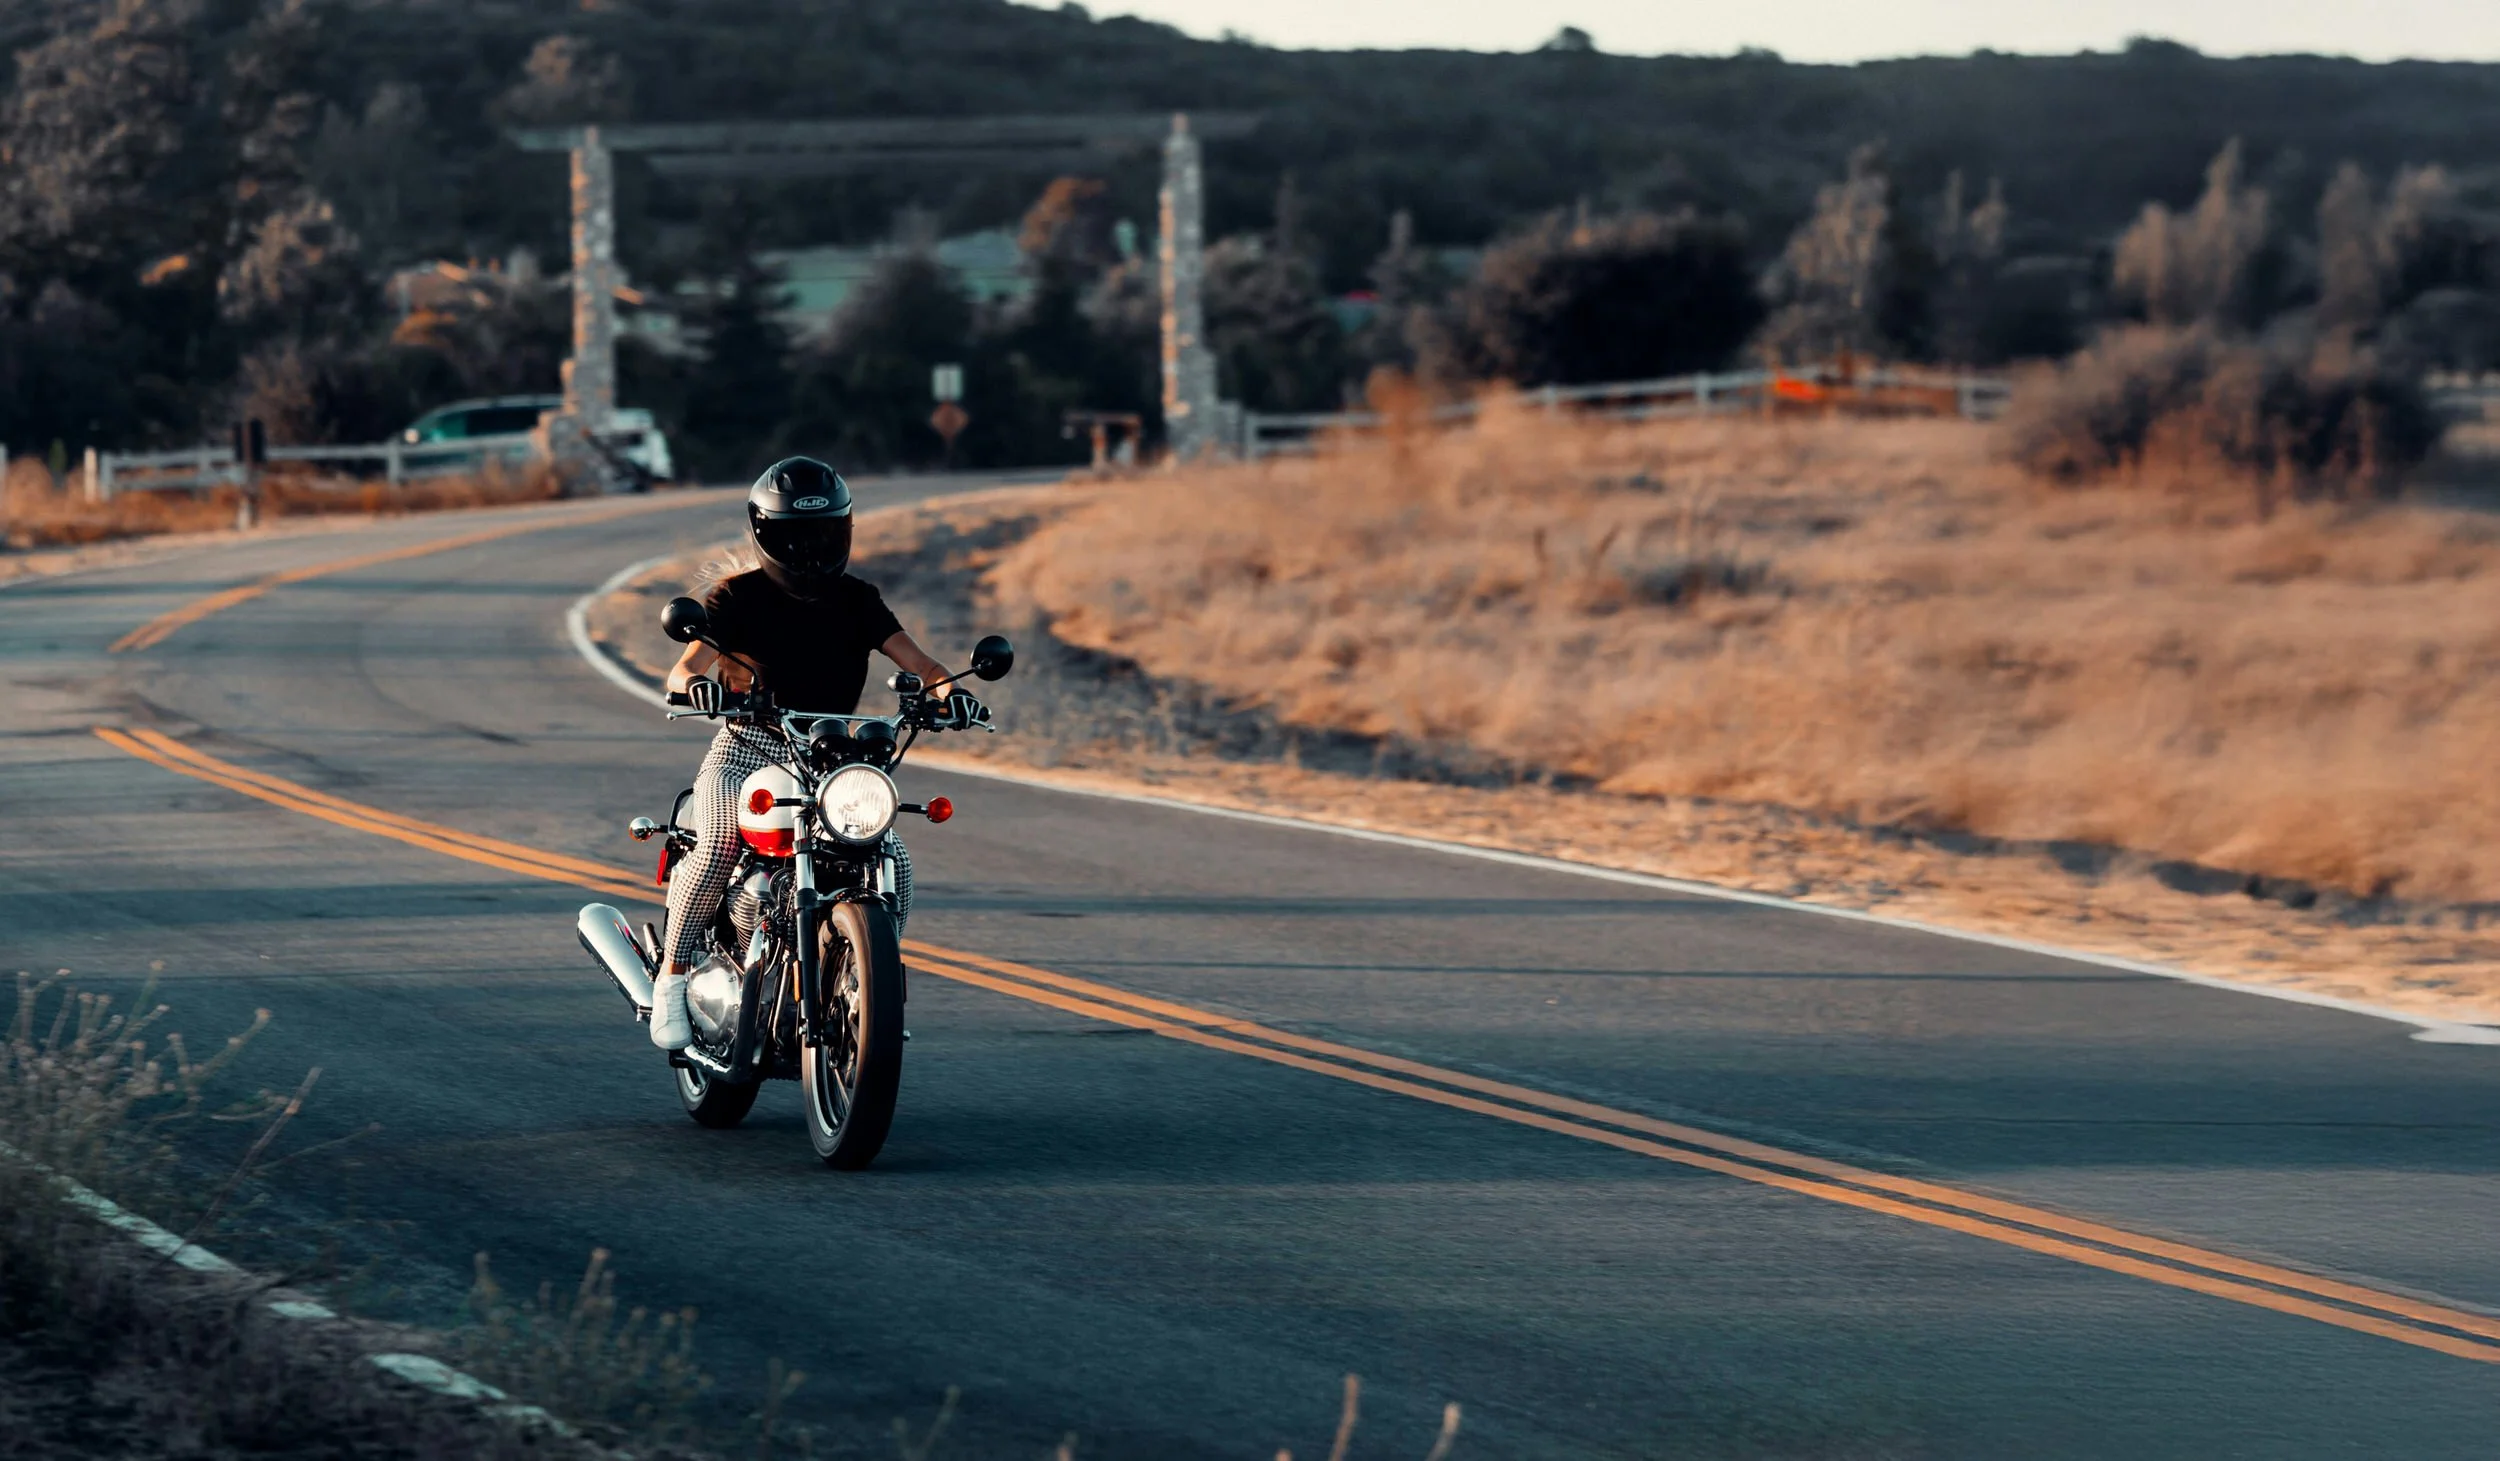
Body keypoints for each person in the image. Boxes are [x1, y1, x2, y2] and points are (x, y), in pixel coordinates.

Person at [650, 457, 979, 1050]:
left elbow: (925, 666)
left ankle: (862, 981)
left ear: (842, 532)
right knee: (722, 837)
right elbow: (684, 668)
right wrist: (691, 687)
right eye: (794, 536)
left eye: (822, 534)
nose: (808, 549)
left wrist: (950, 692)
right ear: (764, 534)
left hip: (833, 758)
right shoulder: (736, 598)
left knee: (893, 860)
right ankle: (672, 980)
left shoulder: (859, 600)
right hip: (748, 748)